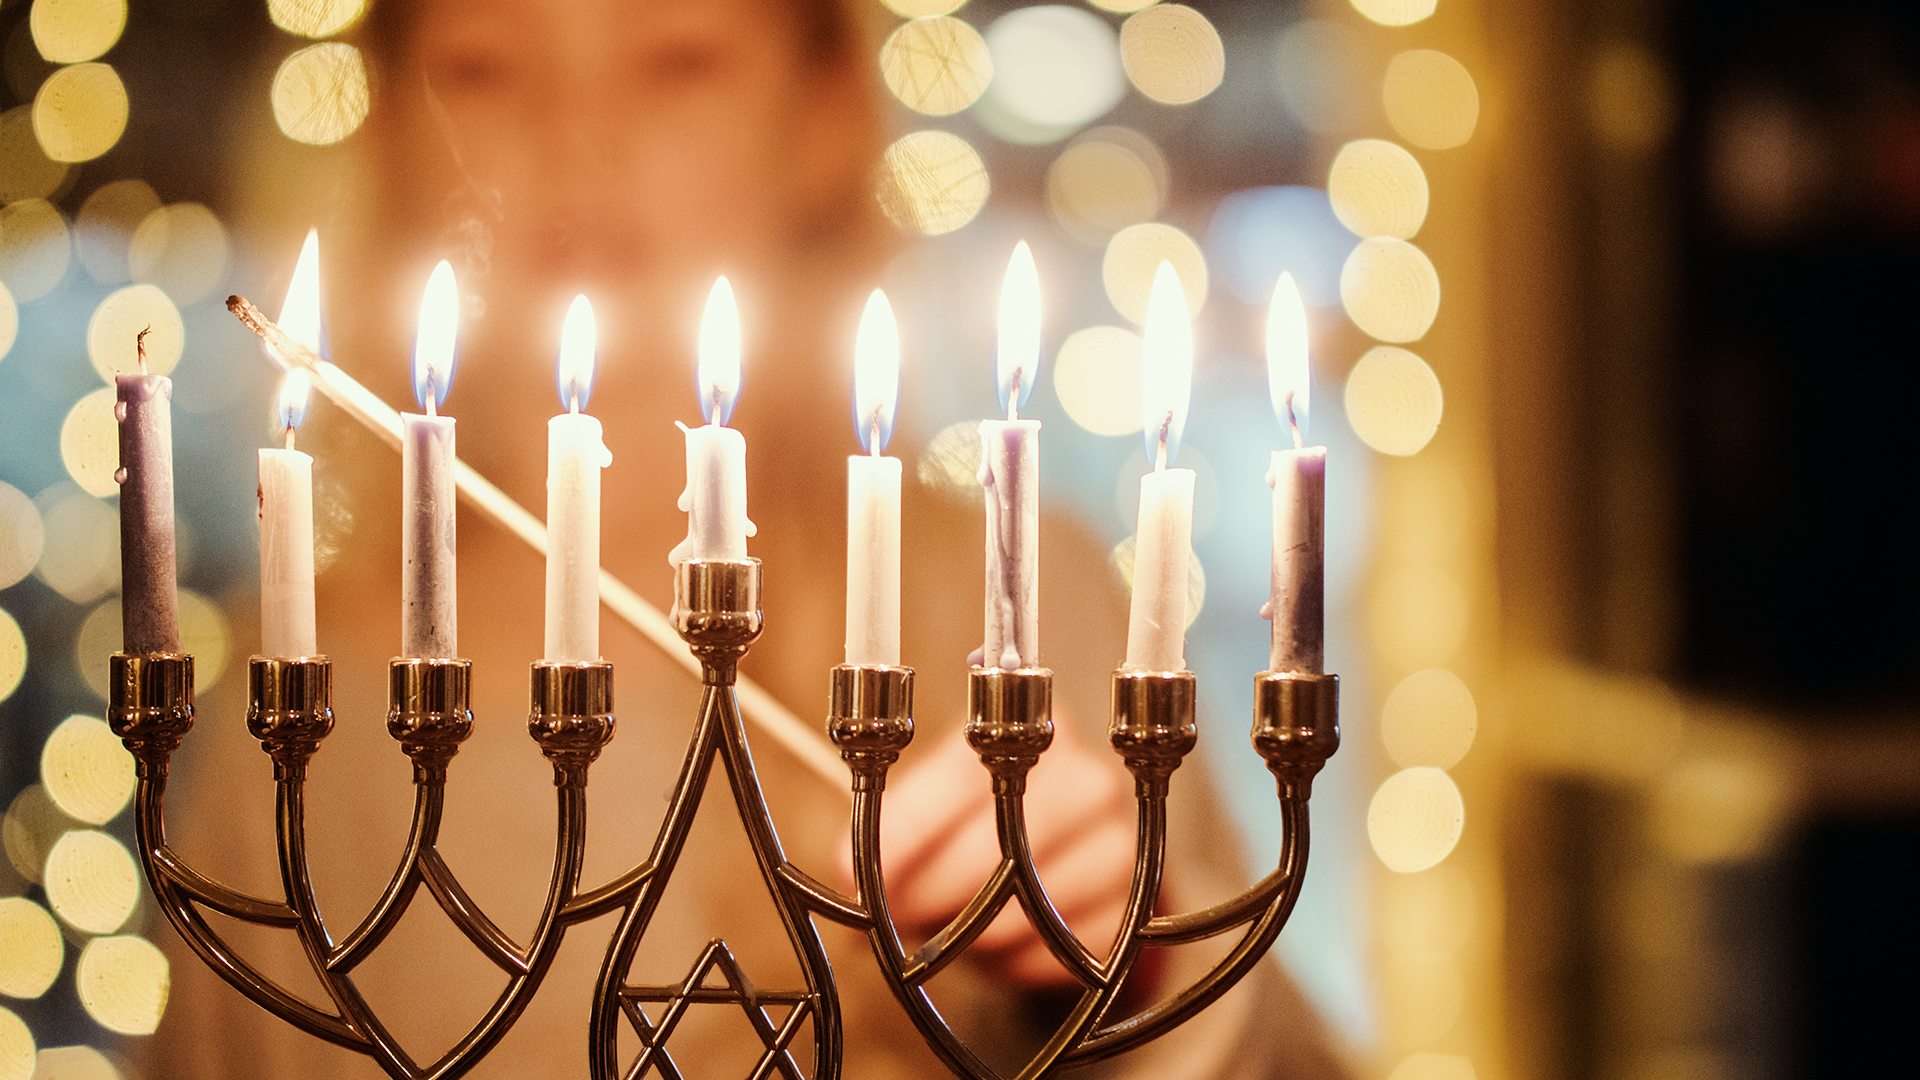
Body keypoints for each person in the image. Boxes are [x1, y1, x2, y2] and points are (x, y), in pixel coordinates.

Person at [149, 1, 1354, 1076]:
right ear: (395, 121)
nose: (578, 139)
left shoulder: (1019, 615)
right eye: (484, 68)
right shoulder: (295, 702)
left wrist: (1127, 965)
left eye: (677, 62)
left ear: (824, 112)